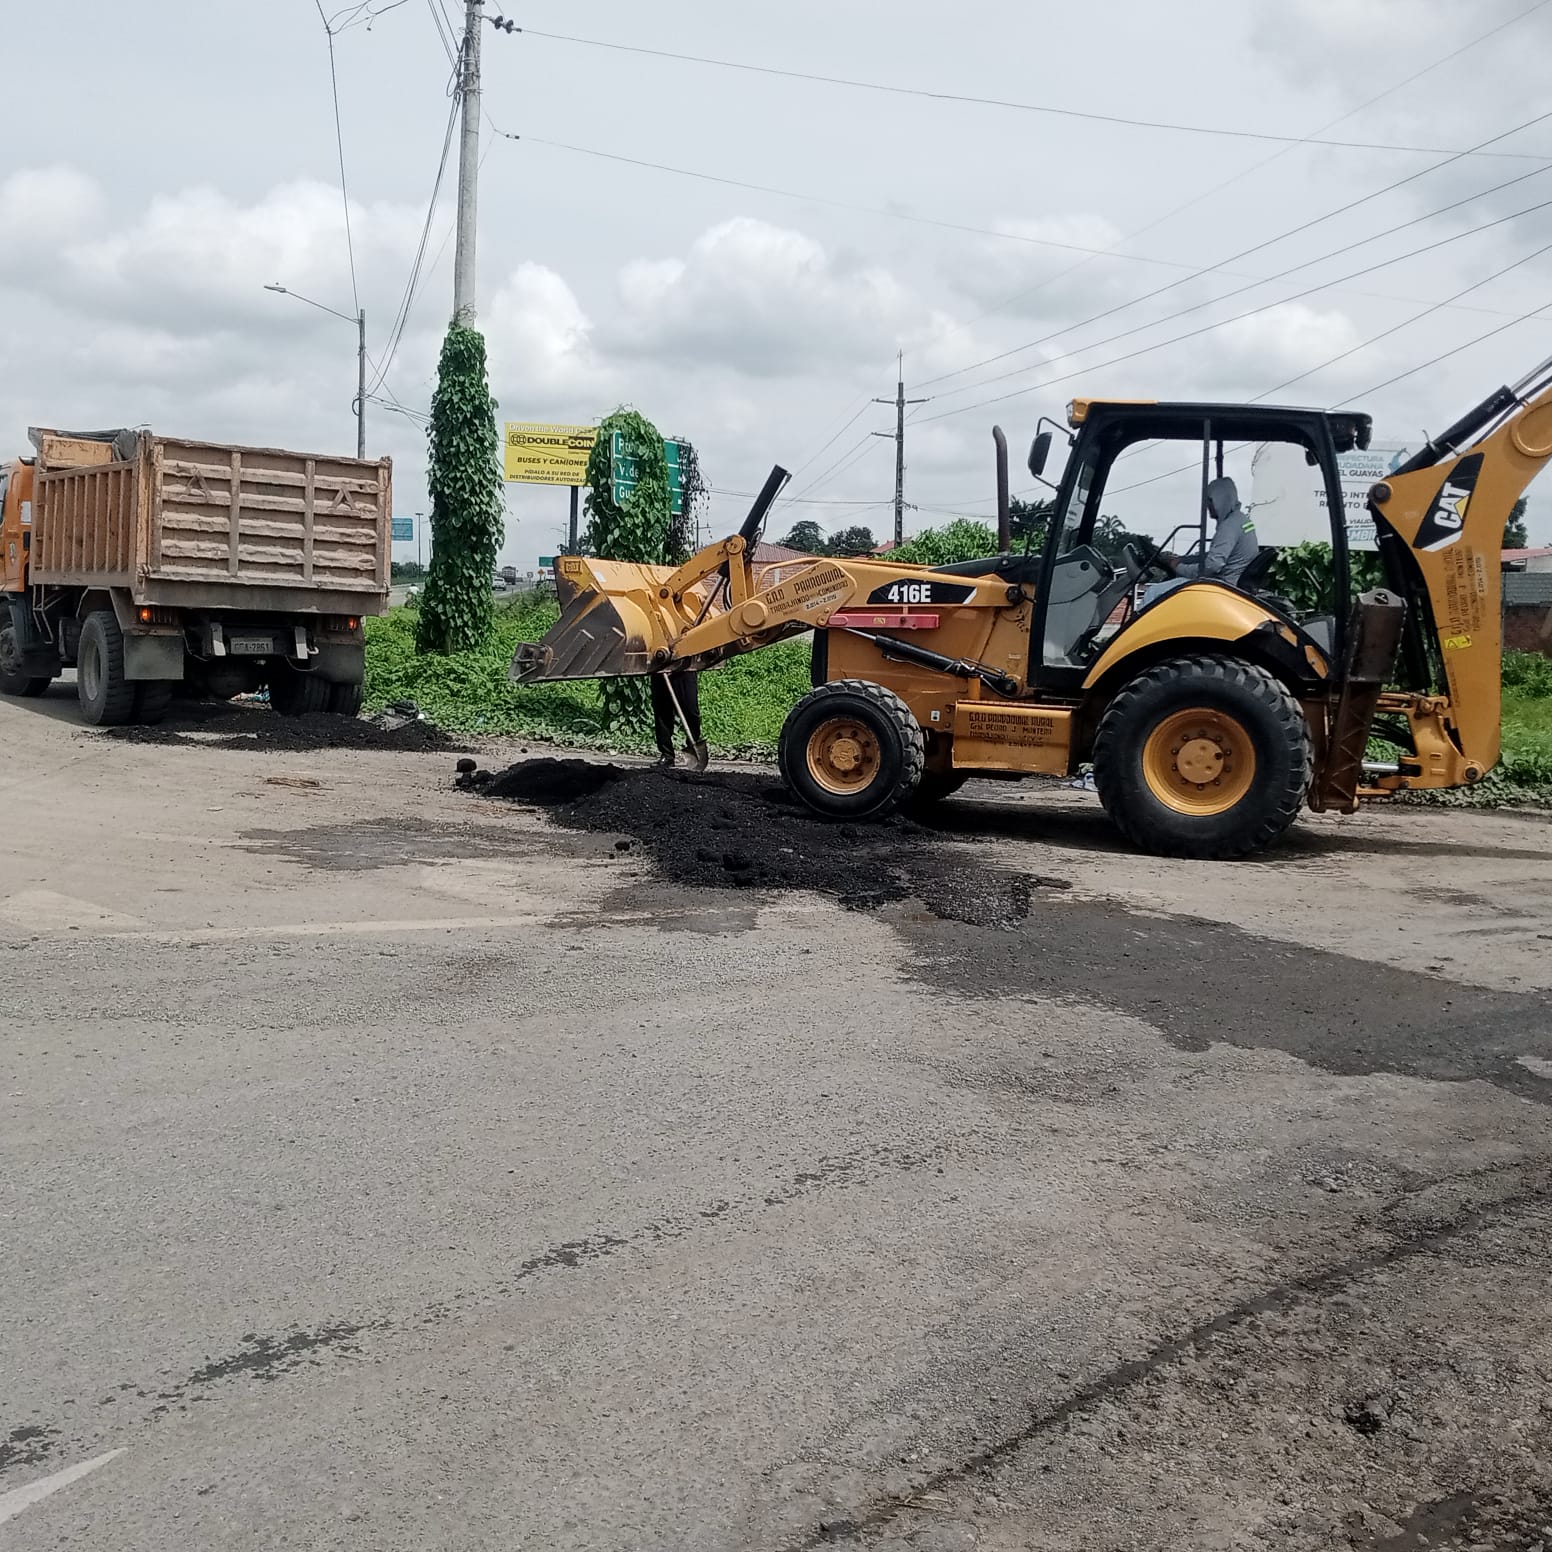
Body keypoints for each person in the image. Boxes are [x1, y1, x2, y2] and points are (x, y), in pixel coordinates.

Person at [1142, 476, 1259, 606]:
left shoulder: (1229, 527)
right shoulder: (1240, 520)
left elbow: (1212, 566)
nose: (1207, 505)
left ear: (1220, 499)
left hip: (1222, 586)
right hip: (1231, 582)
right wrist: (1183, 559)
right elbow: (1212, 556)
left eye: (1210, 500)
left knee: (1153, 592)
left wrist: (1178, 567)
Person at [651, 669, 708, 771]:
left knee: (690, 709)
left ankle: (693, 744)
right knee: (662, 713)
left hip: (685, 668)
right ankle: (667, 755)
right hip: (659, 668)